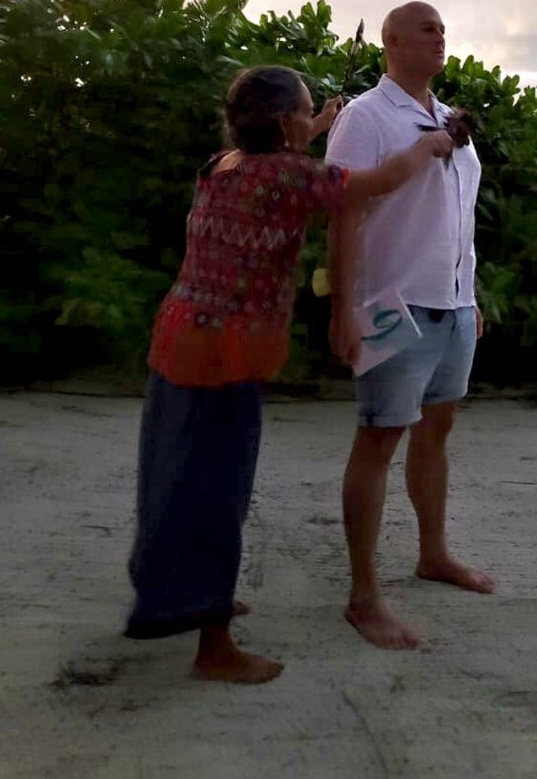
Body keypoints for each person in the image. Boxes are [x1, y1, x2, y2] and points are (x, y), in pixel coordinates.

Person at [124, 64, 452, 683]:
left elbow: (283, 158)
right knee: (217, 493)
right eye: (306, 113)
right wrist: (427, 144)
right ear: (283, 124)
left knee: (171, 477)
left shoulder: (224, 163)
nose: (313, 120)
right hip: (226, 353)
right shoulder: (289, 176)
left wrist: (324, 121)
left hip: (179, 339)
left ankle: (173, 598)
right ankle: (213, 645)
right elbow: (376, 183)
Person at [326, 2, 495, 651]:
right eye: (426, 28)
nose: (440, 35)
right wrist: (342, 307)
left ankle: (433, 555)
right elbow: (342, 209)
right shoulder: (365, 117)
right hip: (392, 306)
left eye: (443, 29)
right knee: (378, 438)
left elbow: (460, 215)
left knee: (437, 430)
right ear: (391, 41)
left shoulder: (449, 120)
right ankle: (363, 595)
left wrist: (467, 292)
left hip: (451, 307)